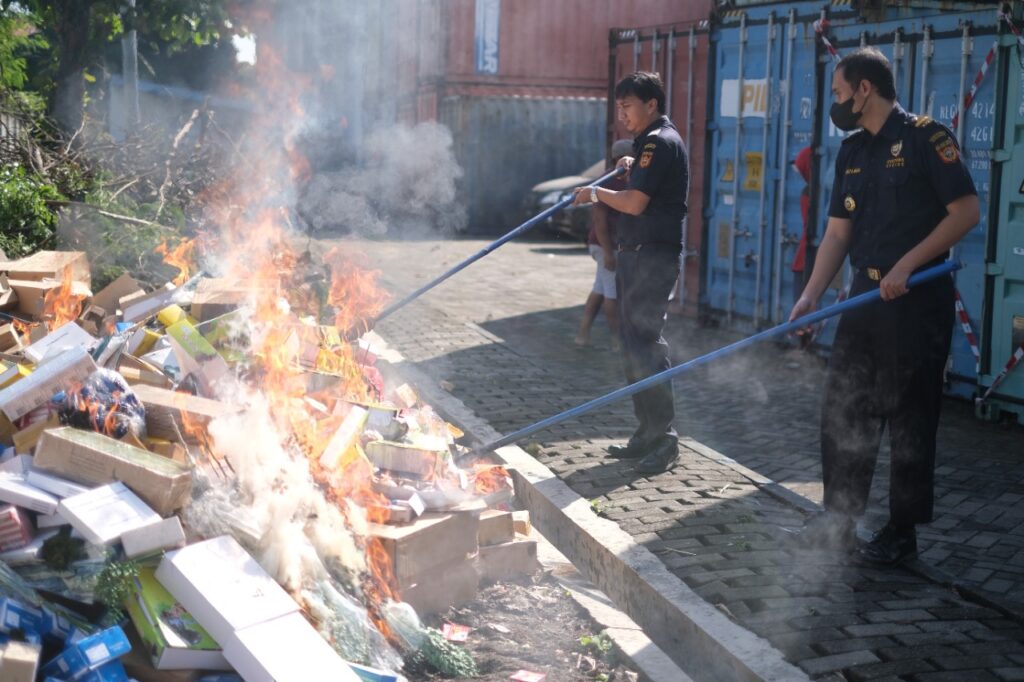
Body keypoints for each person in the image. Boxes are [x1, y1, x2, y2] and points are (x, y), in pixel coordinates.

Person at [790, 48, 979, 565]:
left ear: (864, 89)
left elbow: (966, 212)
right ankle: (839, 518)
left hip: (915, 301)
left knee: (909, 413)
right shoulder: (852, 151)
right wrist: (810, 295)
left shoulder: (926, 138)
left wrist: (908, 265)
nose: (835, 102)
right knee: (845, 403)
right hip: (864, 297)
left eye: (838, 92)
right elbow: (837, 234)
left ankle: (902, 532)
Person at [573, 72, 689, 475]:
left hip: (652, 257)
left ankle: (665, 439)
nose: (621, 114)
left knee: (646, 344)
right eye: (618, 107)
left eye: (627, 106)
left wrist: (595, 193)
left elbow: (636, 203)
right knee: (630, 344)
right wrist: (630, 163)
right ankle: (646, 432)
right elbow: (643, 179)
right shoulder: (646, 145)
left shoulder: (660, 142)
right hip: (633, 256)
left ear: (651, 104)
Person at [575, 138, 632, 350]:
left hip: (606, 244)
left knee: (599, 290)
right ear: (622, 158)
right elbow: (599, 220)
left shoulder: (623, 179)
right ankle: (618, 341)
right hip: (604, 245)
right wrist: (608, 252)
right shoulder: (608, 181)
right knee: (612, 294)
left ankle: (582, 335)